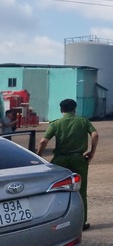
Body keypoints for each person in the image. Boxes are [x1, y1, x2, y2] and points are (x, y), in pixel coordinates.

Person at [36, 99, 98, 231]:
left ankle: (54, 221)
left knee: (56, 191)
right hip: (78, 159)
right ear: (75, 109)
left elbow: (42, 142)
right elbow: (95, 134)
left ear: (61, 110)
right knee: (80, 191)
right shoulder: (83, 121)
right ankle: (81, 223)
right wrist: (92, 152)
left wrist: (38, 157)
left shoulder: (56, 124)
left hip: (60, 161)